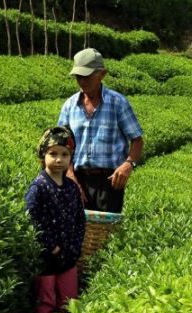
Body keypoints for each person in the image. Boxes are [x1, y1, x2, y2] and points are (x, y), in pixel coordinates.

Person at [58, 48, 144, 213]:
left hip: (109, 182)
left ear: (102, 74)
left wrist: (128, 164)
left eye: (87, 76)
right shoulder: (69, 105)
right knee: (77, 233)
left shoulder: (118, 103)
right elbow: (61, 145)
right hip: (77, 178)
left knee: (105, 235)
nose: (82, 81)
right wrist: (69, 175)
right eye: (78, 77)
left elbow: (137, 140)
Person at [25, 126, 86, 313]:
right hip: (47, 259)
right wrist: (51, 246)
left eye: (64, 154)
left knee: (68, 301)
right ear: (43, 156)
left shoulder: (71, 187)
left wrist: (74, 247)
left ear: (71, 157)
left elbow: (80, 219)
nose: (59, 159)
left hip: (69, 258)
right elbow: (32, 219)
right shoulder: (38, 187)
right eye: (53, 154)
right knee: (46, 301)